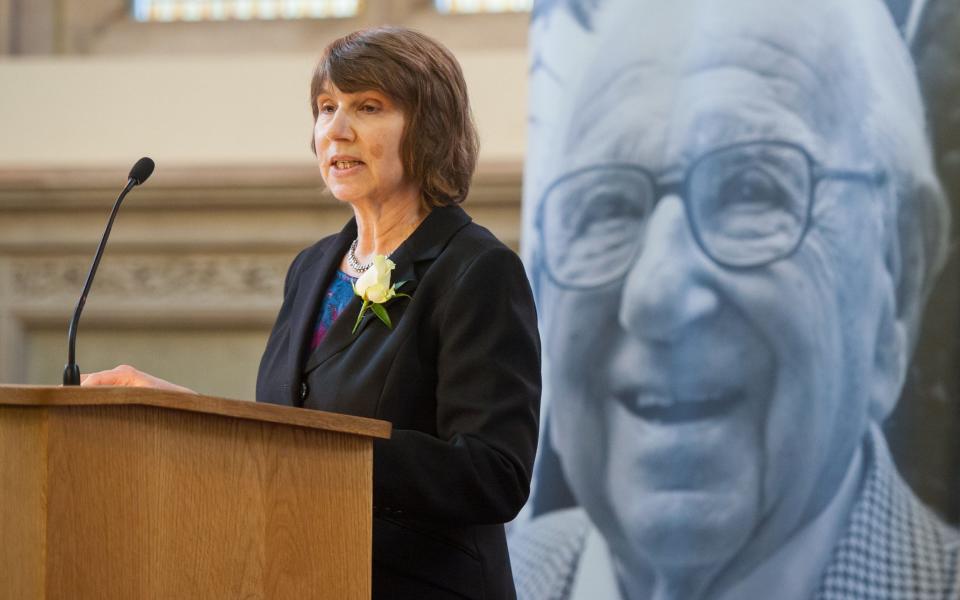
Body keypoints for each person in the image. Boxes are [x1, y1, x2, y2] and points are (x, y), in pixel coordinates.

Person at [510, 0, 959, 598]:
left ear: (896, 271)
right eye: (606, 208)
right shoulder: (492, 578)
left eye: (751, 188)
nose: (655, 296)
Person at [82, 27, 541, 599]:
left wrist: (322, 452)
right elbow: (280, 434)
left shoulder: (476, 270)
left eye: (368, 107)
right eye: (327, 108)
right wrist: (184, 411)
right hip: (297, 577)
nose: (336, 130)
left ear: (430, 127)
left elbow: (494, 473)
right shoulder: (313, 268)